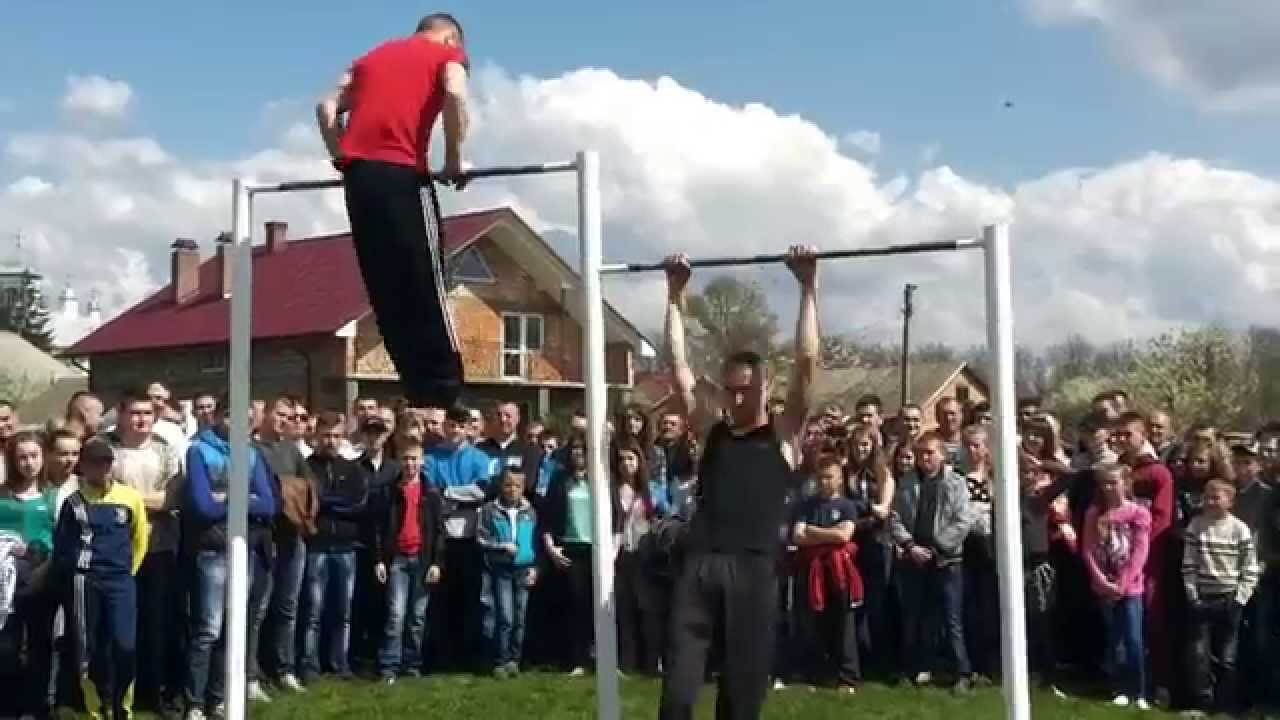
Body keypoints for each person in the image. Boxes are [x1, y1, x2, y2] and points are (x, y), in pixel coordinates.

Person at [657, 245, 818, 720]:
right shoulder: (713, 431)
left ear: (765, 386)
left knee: (741, 702)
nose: (738, 395)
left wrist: (809, 286)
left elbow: (808, 362)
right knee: (678, 699)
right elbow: (678, 367)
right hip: (702, 567)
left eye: (747, 387)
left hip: (755, 572)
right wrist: (674, 295)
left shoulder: (785, 433)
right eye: (732, 388)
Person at [316, 12, 471, 410]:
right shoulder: (447, 56)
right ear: (450, 37)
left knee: (383, 284)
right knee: (425, 277)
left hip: (359, 178)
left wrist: (339, 156)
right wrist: (454, 158)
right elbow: (455, 94)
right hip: (402, 173)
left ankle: (416, 387)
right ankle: (446, 387)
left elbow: (325, 106)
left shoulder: (371, 58)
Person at [53, 439, 149, 720]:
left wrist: (128, 572)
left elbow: (140, 539)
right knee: (89, 646)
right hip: (85, 581)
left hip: (120, 580)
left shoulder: (129, 498)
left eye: (106, 463)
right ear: (83, 467)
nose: (101, 469)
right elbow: (63, 546)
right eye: (94, 463)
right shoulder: (73, 503)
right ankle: (97, 708)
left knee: (125, 644)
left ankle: (122, 706)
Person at [1181, 478, 1259, 717]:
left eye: (1217, 497)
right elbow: (1189, 564)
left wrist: (1240, 599)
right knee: (1199, 654)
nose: (1211, 502)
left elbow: (1250, 569)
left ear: (1230, 501)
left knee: (1227, 656)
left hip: (1229, 598)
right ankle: (1202, 701)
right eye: (1207, 497)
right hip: (1203, 598)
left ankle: (1225, 703)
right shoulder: (1196, 526)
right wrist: (1192, 595)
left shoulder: (1239, 529)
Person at [374, 436, 445, 683]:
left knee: (417, 617)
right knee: (395, 614)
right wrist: (380, 559)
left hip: (423, 560)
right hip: (397, 559)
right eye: (405, 459)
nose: (410, 464)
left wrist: (437, 562)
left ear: (422, 462)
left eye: (414, 459)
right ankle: (389, 666)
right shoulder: (390, 492)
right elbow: (380, 529)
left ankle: (412, 664)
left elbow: (438, 531)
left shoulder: (431, 493)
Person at [1081, 463, 1152, 710]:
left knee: (1134, 638)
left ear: (1125, 483)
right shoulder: (1094, 513)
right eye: (1105, 483)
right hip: (1104, 585)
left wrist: (1123, 582)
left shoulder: (1138, 513)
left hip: (1130, 587)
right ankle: (1119, 687)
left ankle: (1140, 690)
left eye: (1114, 482)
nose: (1109, 488)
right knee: (1115, 639)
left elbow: (1140, 551)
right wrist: (1101, 579)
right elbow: (1088, 549)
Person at [791, 453, 863, 693]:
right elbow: (798, 536)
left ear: (839, 478)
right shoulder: (807, 505)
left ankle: (847, 676)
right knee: (811, 623)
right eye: (821, 477)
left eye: (829, 477)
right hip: (811, 571)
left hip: (839, 572)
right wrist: (827, 535)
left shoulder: (847, 506)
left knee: (844, 623)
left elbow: (844, 536)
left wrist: (814, 532)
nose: (825, 482)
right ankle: (816, 673)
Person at [476, 469, 538, 678]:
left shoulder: (530, 512)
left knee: (520, 617)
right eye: (508, 485)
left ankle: (515, 659)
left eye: (517, 486)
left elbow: (535, 542)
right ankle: (500, 660)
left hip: (523, 568)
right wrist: (502, 546)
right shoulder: (489, 510)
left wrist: (535, 568)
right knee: (505, 617)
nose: (512, 490)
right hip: (500, 569)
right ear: (501, 486)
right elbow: (481, 538)